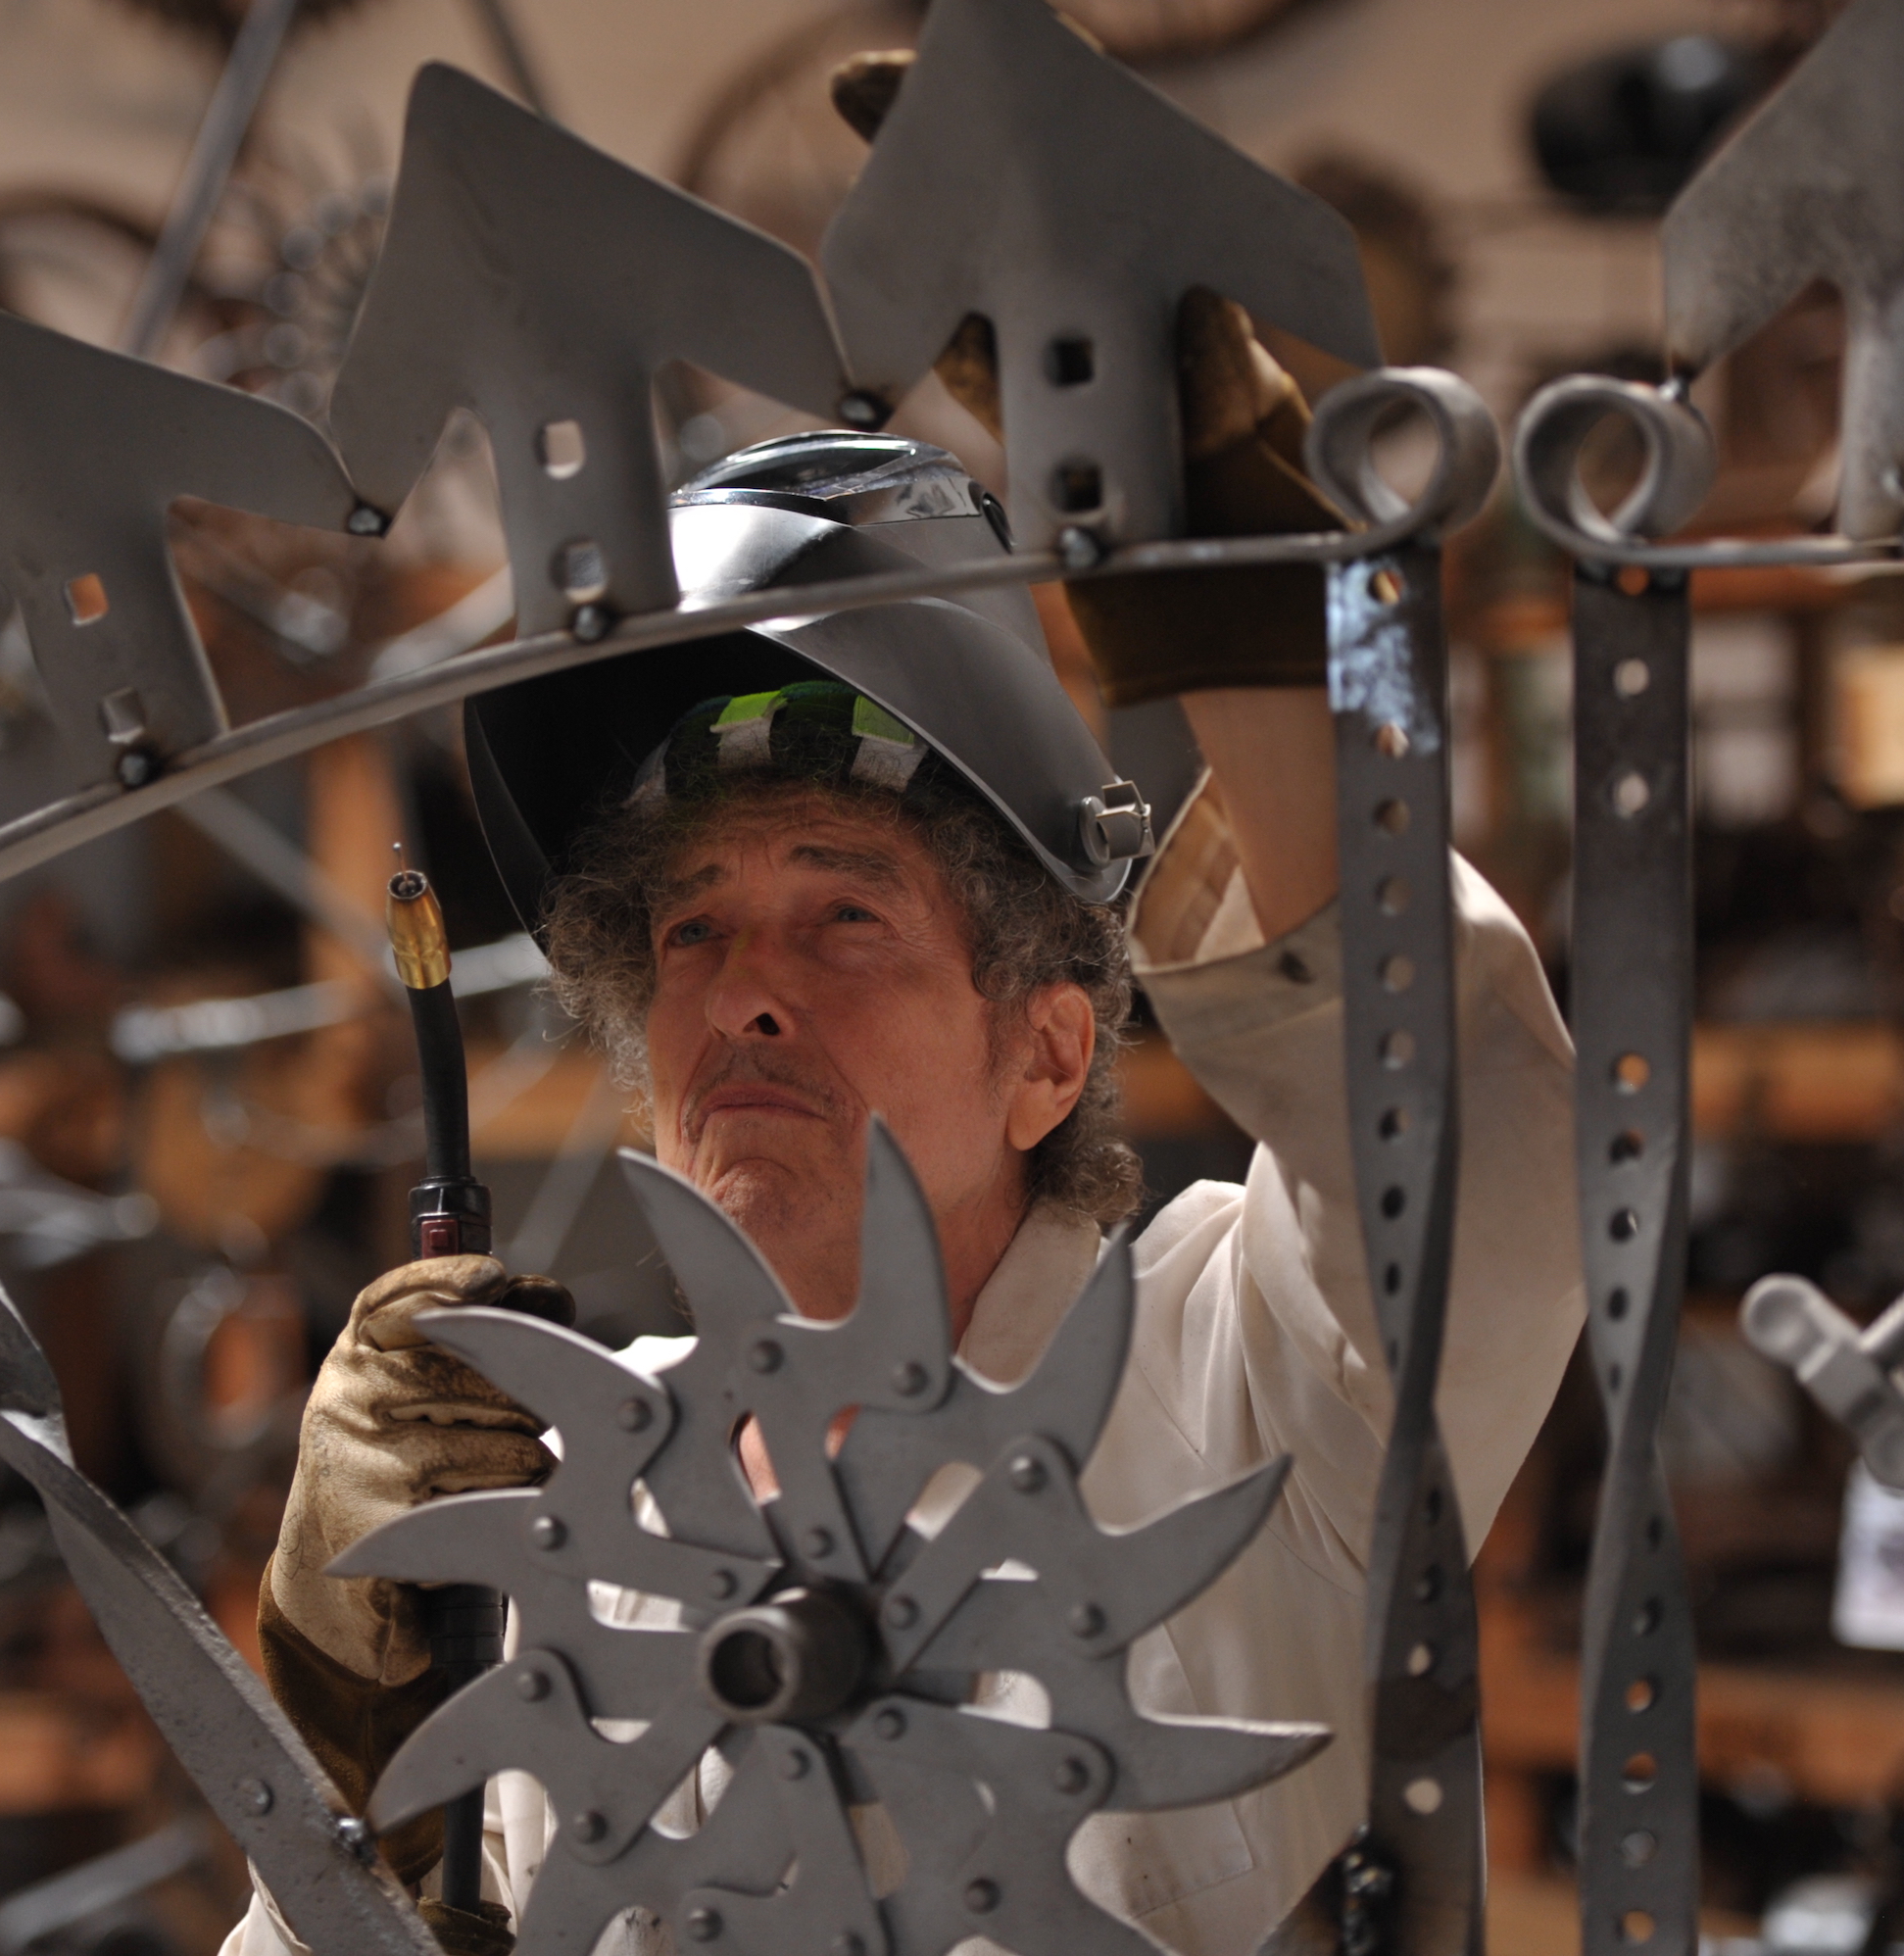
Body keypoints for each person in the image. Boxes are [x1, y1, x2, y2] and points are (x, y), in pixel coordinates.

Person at [225, 161, 1581, 1956]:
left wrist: (1240, 615)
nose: (745, 996)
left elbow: (1452, 1144)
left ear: (1047, 1053)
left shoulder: (1229, 1377)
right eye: (691, 931)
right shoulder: (564, 1499)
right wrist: (347, 1761)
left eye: (845, 914)